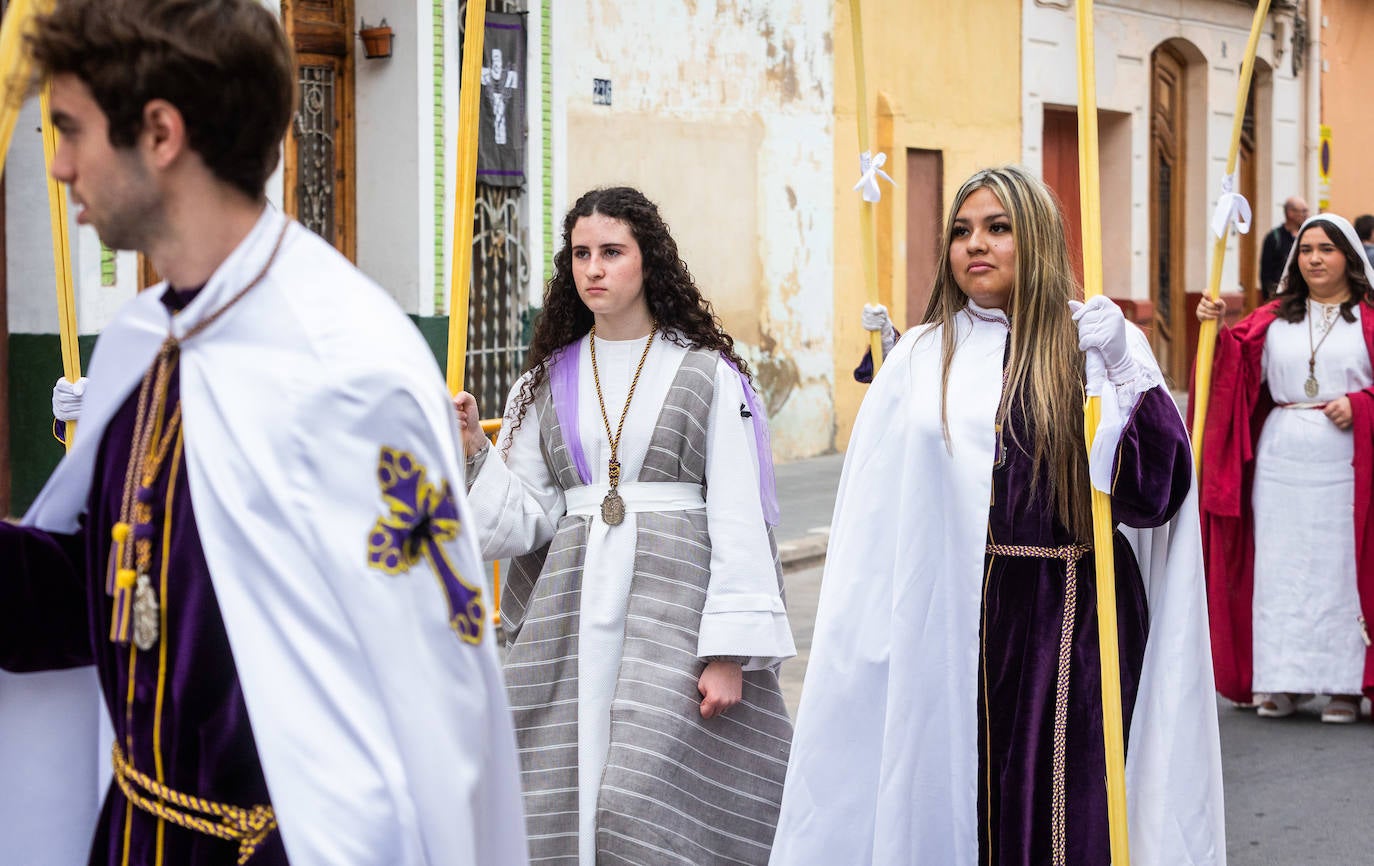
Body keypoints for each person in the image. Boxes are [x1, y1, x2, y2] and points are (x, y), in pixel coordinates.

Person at [0, 2, 527, 864]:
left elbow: (439, 715)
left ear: (161, 133)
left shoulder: (346, 374)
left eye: (70, 130)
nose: (58, 166)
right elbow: (99, 596)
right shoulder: (150, 346)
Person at [770, 166, 1224, 865]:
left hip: (1075, 617)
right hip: (953, 618)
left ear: (1036, 237)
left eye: (997, 227)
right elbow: (886, 508)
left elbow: (1153, 494)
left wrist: (1122, 374)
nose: (974, 245)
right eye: (961, 230)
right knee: (958, 803)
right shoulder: (925, 354)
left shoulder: (1095, 343)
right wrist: (892, 363)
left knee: (1067, 821)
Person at [454, 186, 794, 865]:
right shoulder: (544, 383)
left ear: (649, 262)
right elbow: (520, 520)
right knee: (566, 790)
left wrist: (728, 652)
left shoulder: (707, 375)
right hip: (571, 618)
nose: (593, 269)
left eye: (612, 251)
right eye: (581, 254)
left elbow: (737, 515)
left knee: (639, 796)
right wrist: (470, 448)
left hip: (673, 621)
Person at [1197, 212, 1374, 724]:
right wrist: (1215, 328)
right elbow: (1231, 371)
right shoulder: (1273, 318)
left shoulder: (1368, 318)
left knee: (1339, 570)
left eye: (1327, 249)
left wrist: (1363, 403)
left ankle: (1343, 685)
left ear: (1349, 258)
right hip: (1280, 460)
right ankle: (1282, 679)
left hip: (1346, 464)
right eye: (1307, 249)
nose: (1315, 259)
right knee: (1279, 570)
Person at [1260, 197, 1309, 300]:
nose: (1307, 215)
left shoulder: (1308, 236)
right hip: (1281, 296)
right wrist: (1269, 297)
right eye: (1303, 211)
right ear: (1290, 213)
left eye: (1307, 211)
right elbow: (1266, 272)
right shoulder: (1274, 237)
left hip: (1303, 295)